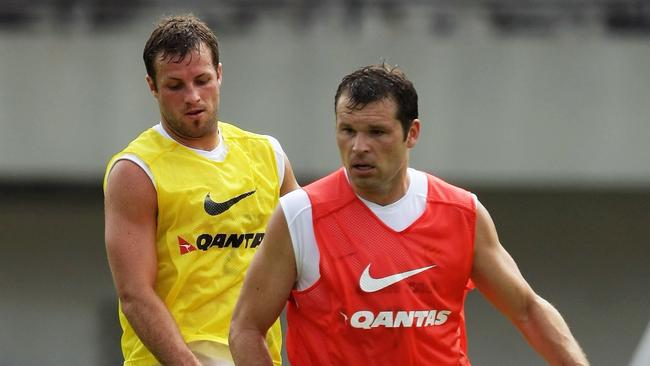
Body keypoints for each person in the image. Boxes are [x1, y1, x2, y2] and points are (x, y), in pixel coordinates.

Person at [229, 64, 589, 365]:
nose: (359, 147)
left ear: (411, 133)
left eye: (377, 132)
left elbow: (526, 309)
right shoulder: (300, 215)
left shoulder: (461, 213)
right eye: (347, 130)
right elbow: (245, 328)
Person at [103, 14, 298, 366]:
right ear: (152, 86)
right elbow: (134, 295)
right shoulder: (135, 171)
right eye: (175, 85)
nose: (192, 97)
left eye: (202, 80)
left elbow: (309, 262)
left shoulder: (269, 155)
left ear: (220, 74)